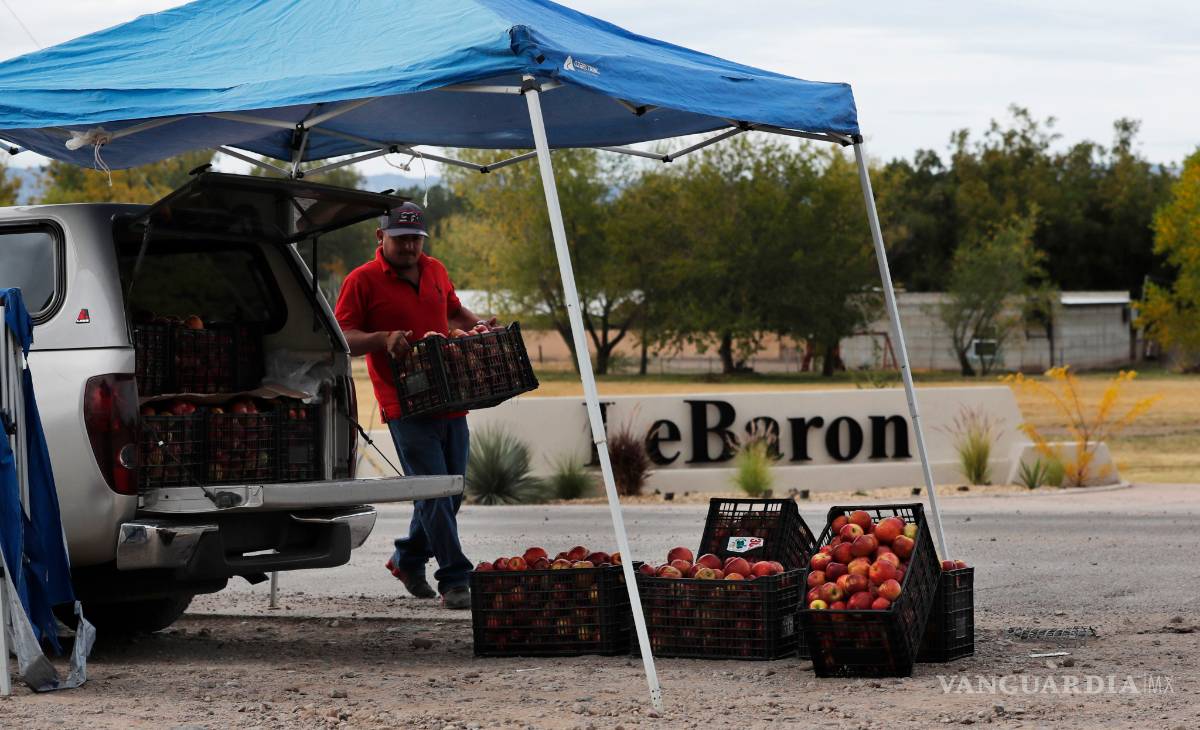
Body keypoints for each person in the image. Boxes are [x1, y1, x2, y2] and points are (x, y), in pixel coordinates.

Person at [334, 202, 493, 610]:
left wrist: (478, 330)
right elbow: (342, 336)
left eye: (415, 239)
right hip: (404, 405)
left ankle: (407, 557)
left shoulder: (435, 269)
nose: (409, 247)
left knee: (450, 493)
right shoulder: (361, 280)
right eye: (401, 239)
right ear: (380, 236)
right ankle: (455, 578)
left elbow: (453, 310)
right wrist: (382, 338)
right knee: (435, 494)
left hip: (451, 398)